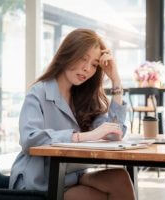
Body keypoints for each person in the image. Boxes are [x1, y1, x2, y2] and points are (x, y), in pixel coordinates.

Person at [9, 28, 136, 200]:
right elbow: (29, 139)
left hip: (72, 175)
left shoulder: (85, 97)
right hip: (40, 182)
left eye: (94, 64)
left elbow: (114, 134)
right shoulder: (38, 93)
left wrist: (116, 80)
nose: (86, 69)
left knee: (120, 179)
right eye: (83, 58)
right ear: (67, 54)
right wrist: (83, 136)